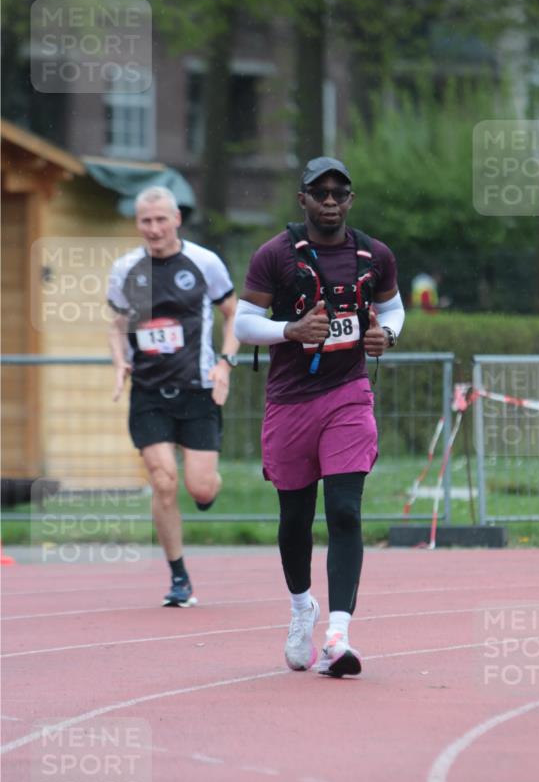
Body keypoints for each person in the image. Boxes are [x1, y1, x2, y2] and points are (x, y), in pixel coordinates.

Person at [234, 156, 405, 678]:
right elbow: (243, 323)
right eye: (319, 192)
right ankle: (300, 607)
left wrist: (388, 335)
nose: (330, 200)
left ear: (350, 200)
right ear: (302, 198)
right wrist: (290, 331)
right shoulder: (274, 256)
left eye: (340, 192)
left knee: (347, 511)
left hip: (349, 395)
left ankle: (338, 633)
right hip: (289, 401)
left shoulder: (375, 254)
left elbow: (393, 310)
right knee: (295, 519)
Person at [107, 186, 239, 607]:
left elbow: (233, 312)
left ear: (177, 219)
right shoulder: (126, 269)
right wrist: (119, 361)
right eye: (146, 221)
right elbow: (116, 324)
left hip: (198, 389)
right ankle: (179, 576)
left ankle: (209, 489)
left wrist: (225, 363)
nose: (154, 228)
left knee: (198, 488)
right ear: (137, 224)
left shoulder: (204, 263)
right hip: (148, 391)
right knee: (163, 481)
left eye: (161, 220)